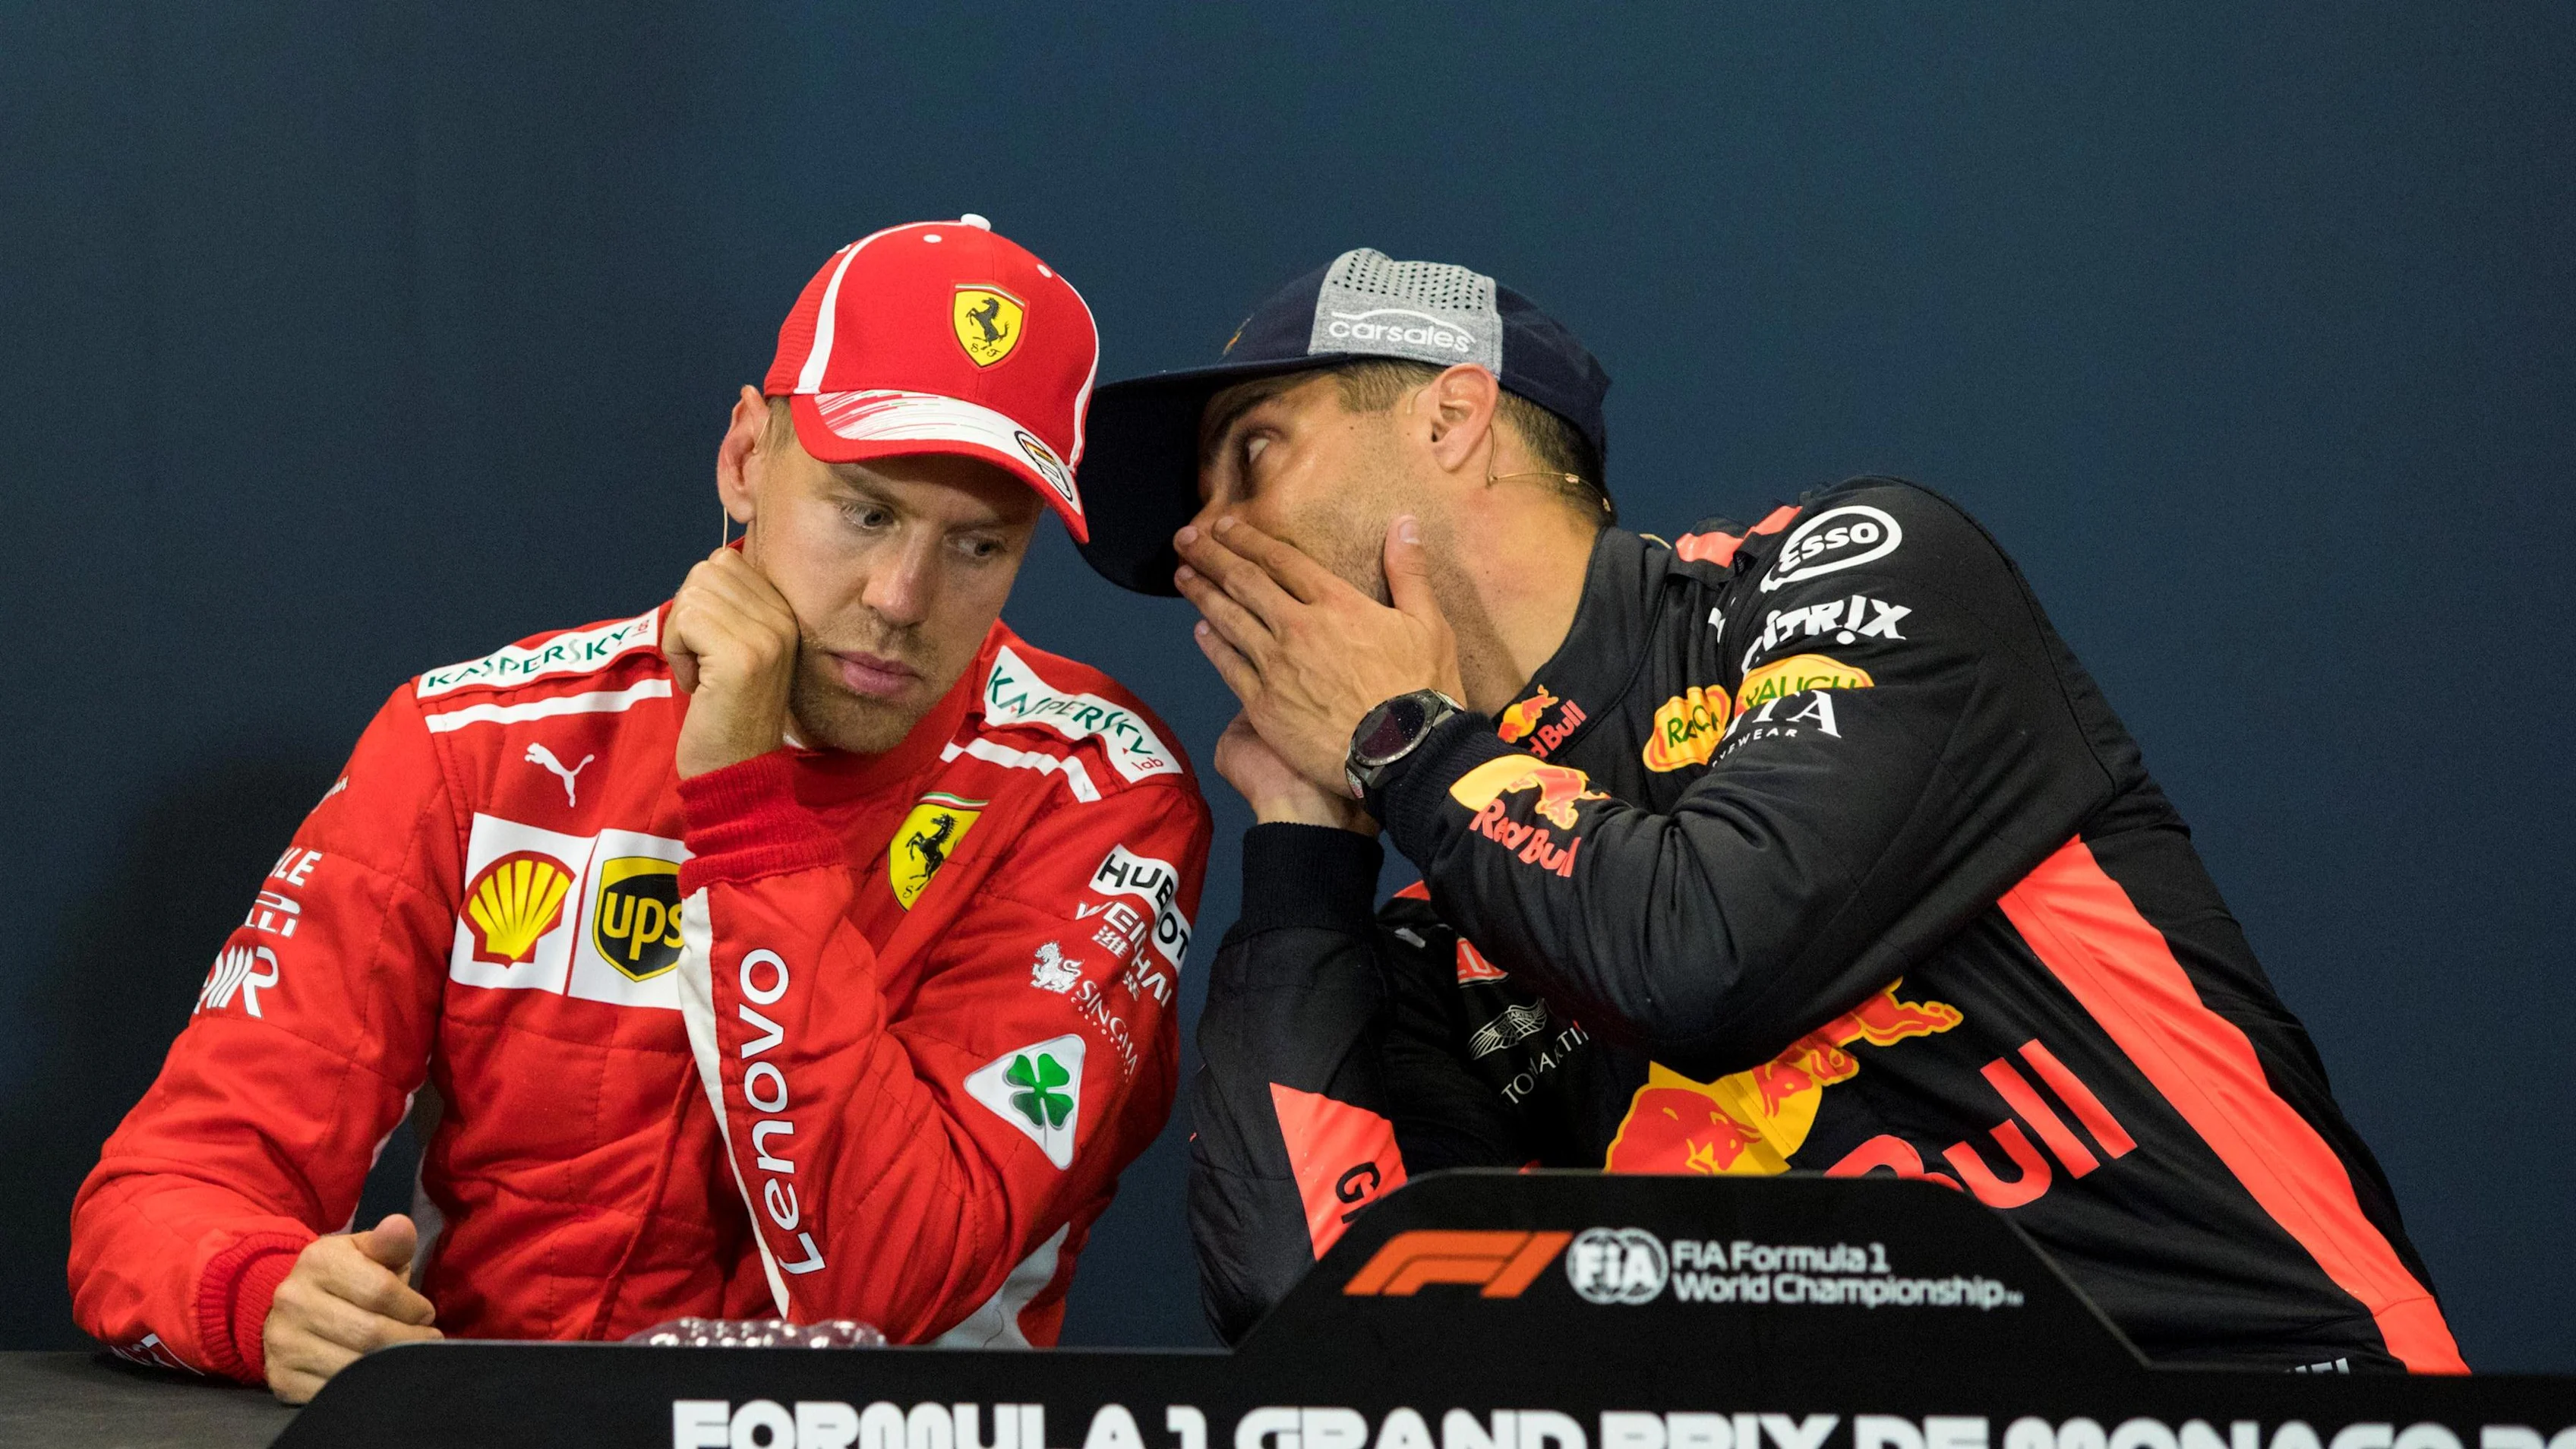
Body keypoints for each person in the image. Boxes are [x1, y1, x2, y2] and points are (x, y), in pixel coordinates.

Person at [1068, 247, 2464, 1372]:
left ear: (1451, 413)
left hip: (2256, 1393)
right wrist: (1311, 847)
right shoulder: (1447, 920)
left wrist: (1395, 736)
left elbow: (1704, 957)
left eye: (1252, 453)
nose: (1204, 542)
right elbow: (1314, 1307)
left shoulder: (1852, 569)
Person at [70, 217, 1211, 1401]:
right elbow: (160, 1196)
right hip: (504, 1443)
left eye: (979, 544)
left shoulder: (1099, 795)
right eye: (864, 512)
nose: (901, 598)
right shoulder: (475, 745)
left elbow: (882, 1284)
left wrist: (746, 804)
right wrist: (262, 1299)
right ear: (743, 457)